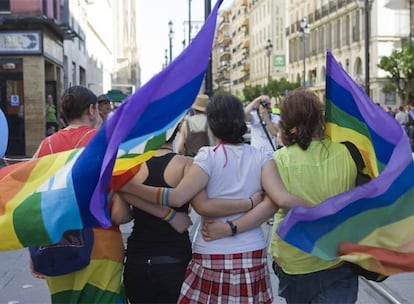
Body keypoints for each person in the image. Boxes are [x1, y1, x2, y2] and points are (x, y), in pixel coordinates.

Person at [119, 93, 312, 304]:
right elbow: (280, 200)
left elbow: (190, 201)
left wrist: (127, 186)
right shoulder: (262, 157)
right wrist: (324, 208)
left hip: (212, 251)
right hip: (251, 252)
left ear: (211, 125)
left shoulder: (206, 157)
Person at [201, 88, 360, 304]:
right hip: (338, 257)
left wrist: (230, 227)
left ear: (286, 122)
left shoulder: (280, 159)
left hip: (295, 261)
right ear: (319, 118)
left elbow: (269, 206)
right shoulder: (347, 153)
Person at [32, 85, 126, 304]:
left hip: (58, 244)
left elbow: (34, 200)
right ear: (91, 110)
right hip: (103, 240)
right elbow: (121, 186)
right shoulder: (106, 143)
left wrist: (33, 251)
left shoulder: (46, 146)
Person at [110, 126, 194, 304]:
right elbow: (197, 206)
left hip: (138, 258)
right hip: (175, 257)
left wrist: (137, 206)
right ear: (176, 130)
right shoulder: (187, 164)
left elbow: (119, 216)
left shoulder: (132, 167)